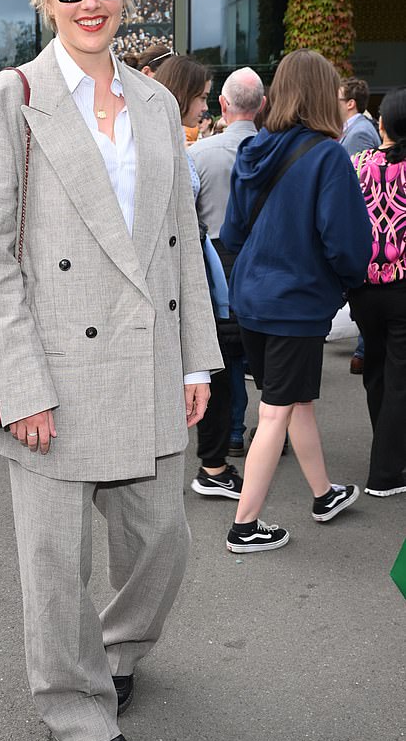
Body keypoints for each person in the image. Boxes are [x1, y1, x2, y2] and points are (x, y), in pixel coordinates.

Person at [0, 0, 222, 741]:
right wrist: (21, 386)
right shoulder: (14, 99)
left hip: (147, 362)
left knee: (164, 541)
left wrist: (196, 360)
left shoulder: (154, 102)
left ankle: (116, 647)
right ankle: (75, 705)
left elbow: (178, 240)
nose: (91, 1)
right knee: (54, 561)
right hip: (54, 372)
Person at [220, 49, 373, 553]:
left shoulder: (254, 148)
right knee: (276, 411)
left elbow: (234, 231)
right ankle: (245, 526)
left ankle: (324, 493)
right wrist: (351, 280)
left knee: (293, 398)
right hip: (296, 302)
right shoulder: (329, 155)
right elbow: (347, 241)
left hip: (253, 298)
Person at [153, 56, 242, 499]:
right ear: (182, 94)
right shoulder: (166, 143)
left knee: (206, 370)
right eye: (202, 95)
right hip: (180, 275)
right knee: (210, 370)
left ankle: (211, 465)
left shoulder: (174, 141)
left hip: (189, 269)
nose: (205, 106)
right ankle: (212, 468)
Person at [188, 68, 266, 458]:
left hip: (217, 260)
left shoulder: (198, 154)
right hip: (267, 259)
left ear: (222, 104)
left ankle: (233, 432)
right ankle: (276, 427)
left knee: (226, 353)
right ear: (263, 106)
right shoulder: (278, 151)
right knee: (270, 350)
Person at [348, 87, 406, 497]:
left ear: (381, 123)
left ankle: (385, 450)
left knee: (376, 371)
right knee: (400, 377)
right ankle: (385, 472)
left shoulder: (358, 163)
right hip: (403, 284)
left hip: (364, 286)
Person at [339, 77, 380, 375]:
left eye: (339, 99)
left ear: (351, 103)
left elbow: (358, 183)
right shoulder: (355, 131)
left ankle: (365, 352)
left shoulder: (359, 134)